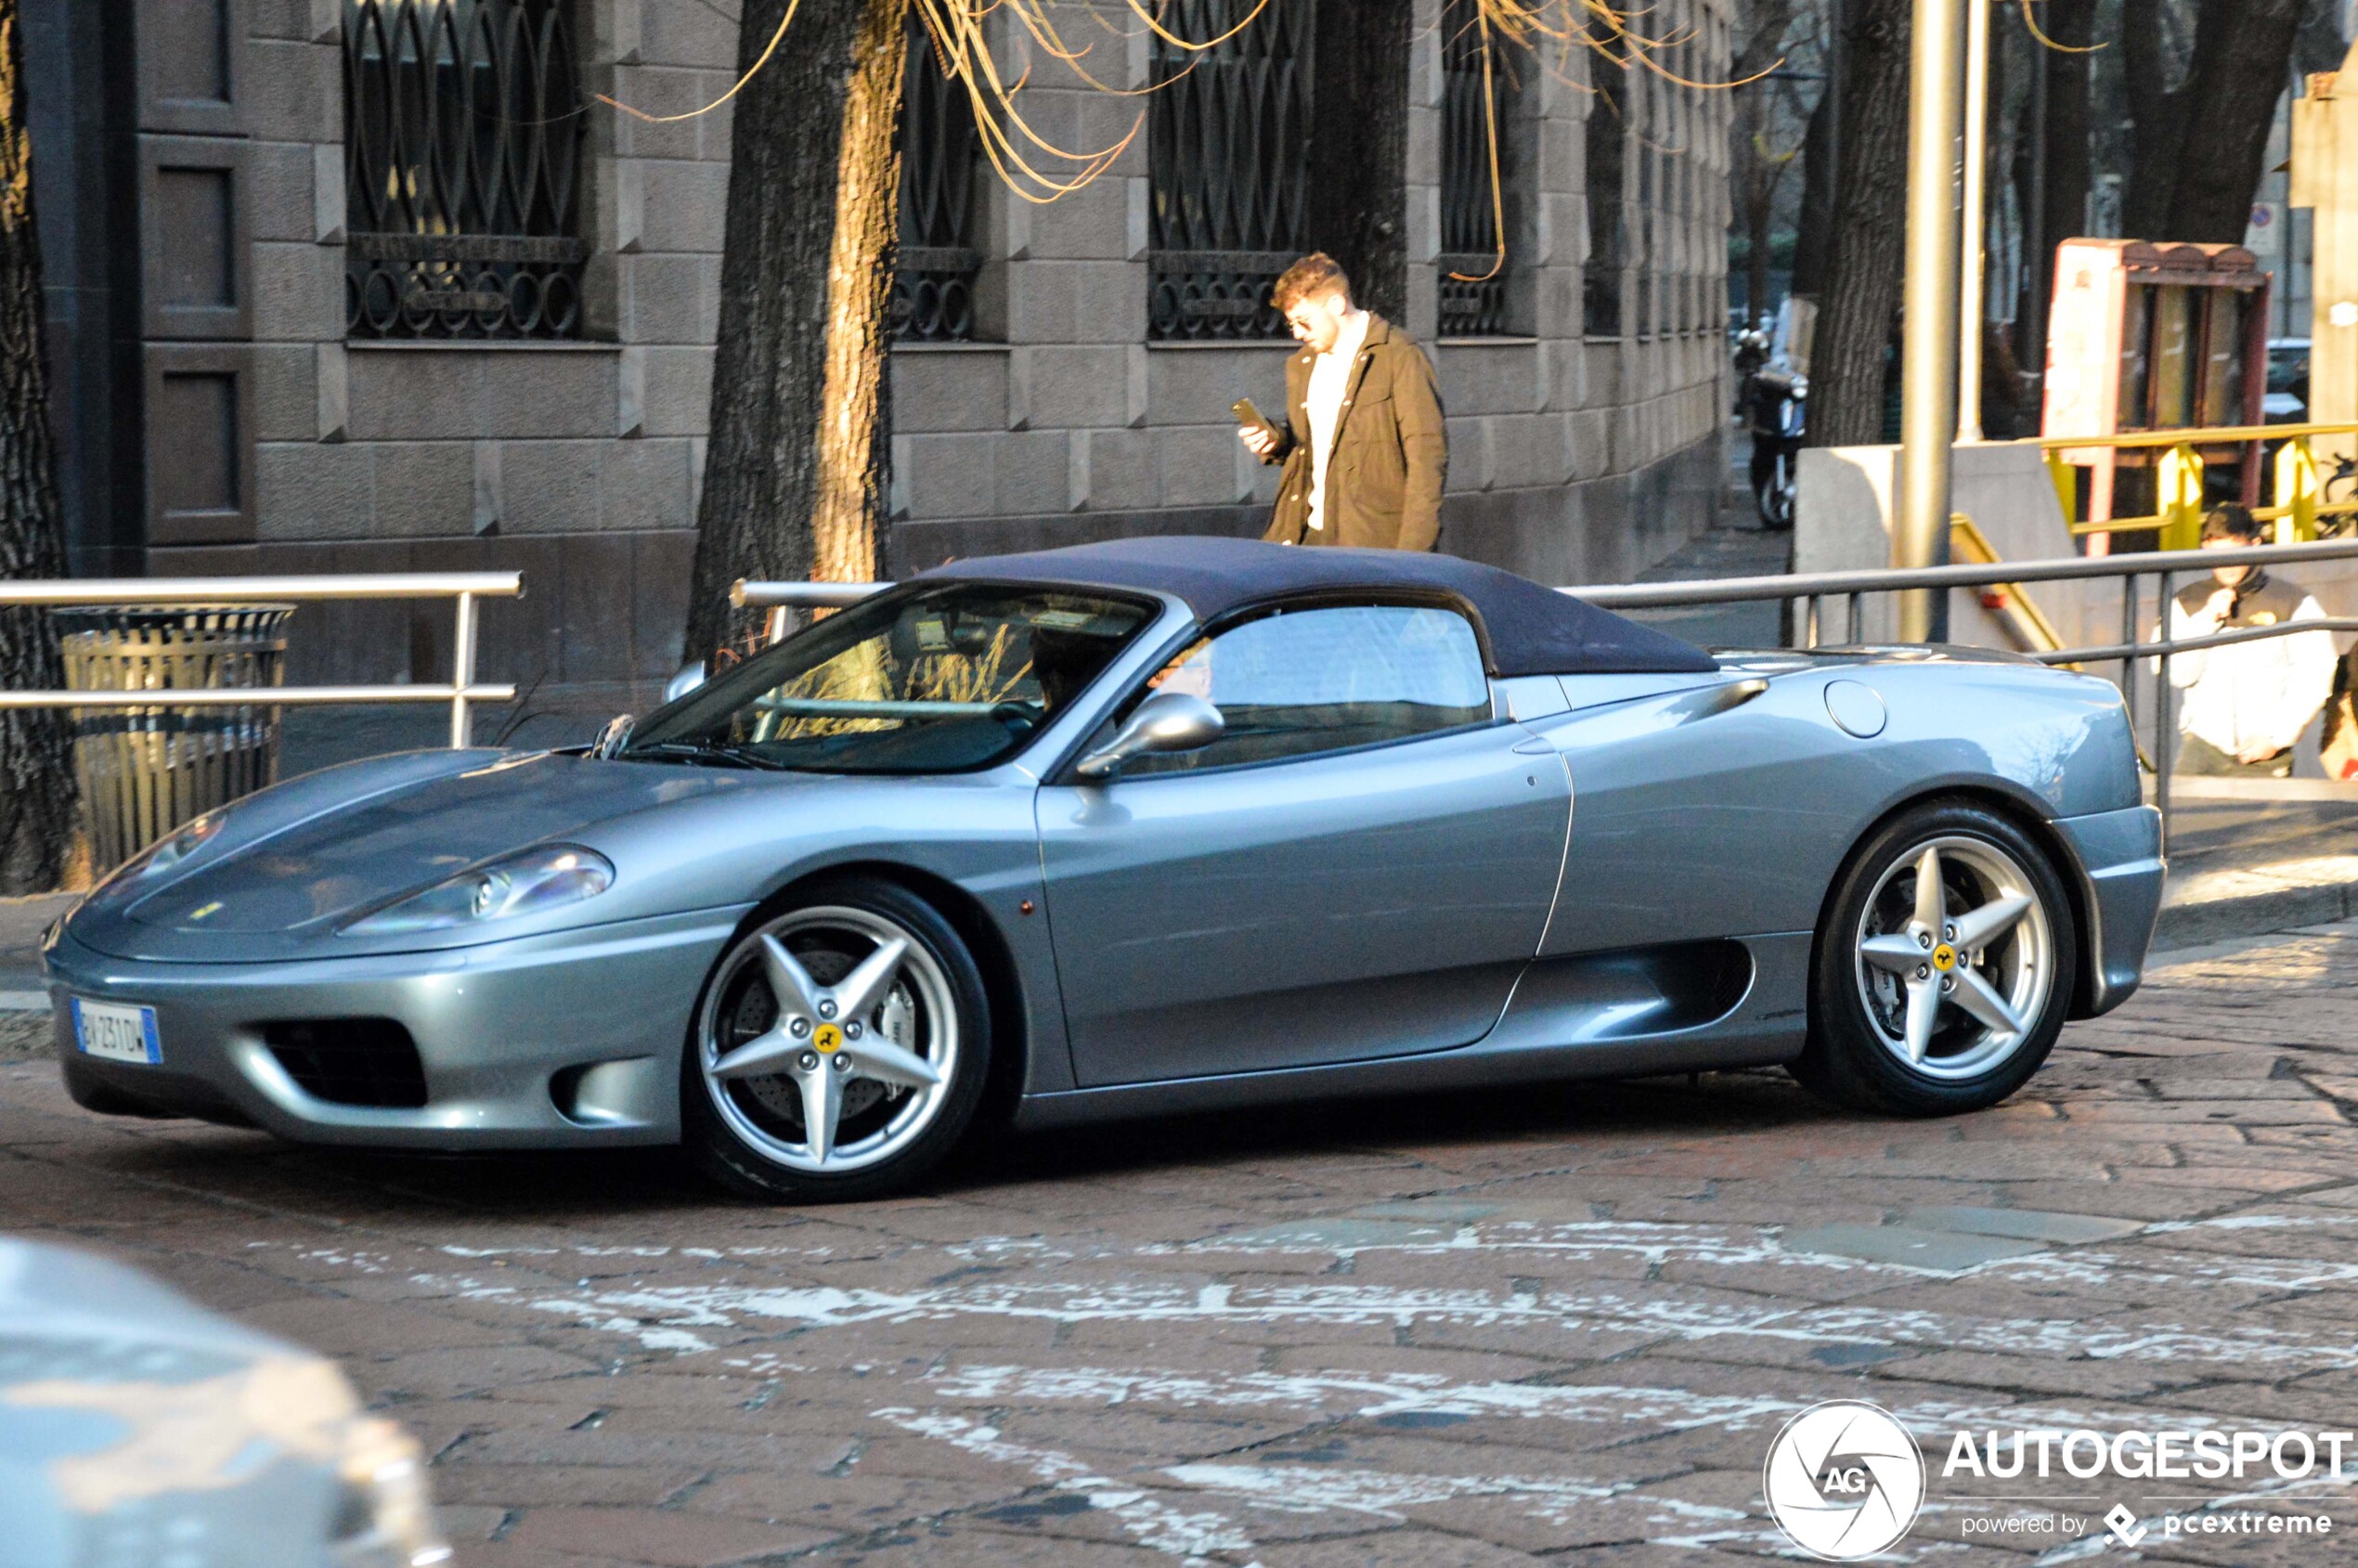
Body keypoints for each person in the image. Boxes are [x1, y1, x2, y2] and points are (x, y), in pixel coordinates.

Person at [1237, 253, 1447, 551]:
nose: (1297, 333)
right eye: (1291, 324)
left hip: (1372, 545)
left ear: (1337, 304)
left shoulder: (1399, 356)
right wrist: (1279, 440)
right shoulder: (1304, 363)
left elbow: (1428, 462)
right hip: (1305, 536)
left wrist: (1413, 558)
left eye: (1304, 321)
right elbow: (1319, 445)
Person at [2158, 503, 2339, 778]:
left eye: (2235, 553)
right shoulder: (2187, 601)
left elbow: (2315, 676)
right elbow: (2177, 675)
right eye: (2216, 556)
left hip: (2265, 752)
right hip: (2202, 746)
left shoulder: (2293, 602)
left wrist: (2277, 738)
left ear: (2255, 545)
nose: (2226, 565)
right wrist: (2207, 618)